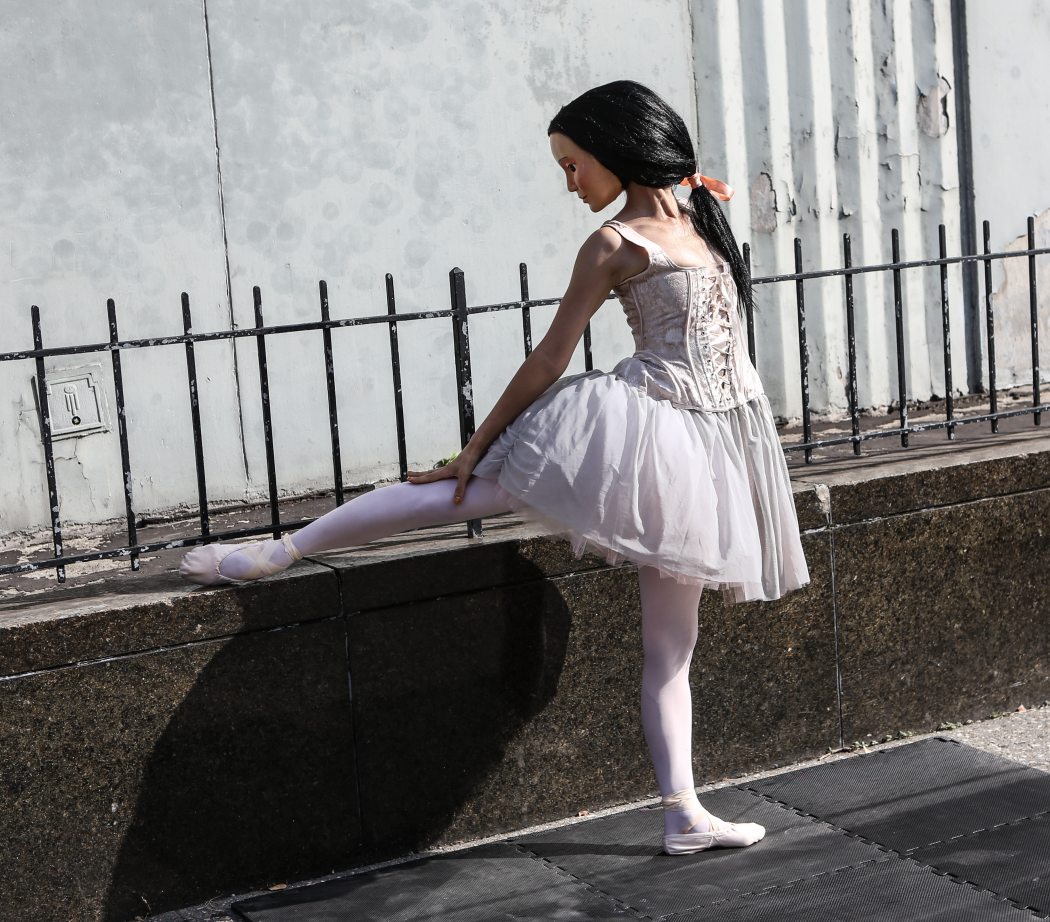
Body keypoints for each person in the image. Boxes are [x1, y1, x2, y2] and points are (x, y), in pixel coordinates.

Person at [180, 80, 809, 855]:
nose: (569, 183)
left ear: (616, 148)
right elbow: (551, 355)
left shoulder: (703, 218)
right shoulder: (613, 245)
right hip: (643, 431)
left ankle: (683, 816)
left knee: (671, 649)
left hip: (711, 444)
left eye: (573, 164)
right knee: (457, 493)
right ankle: (279, 552)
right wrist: (479, 441)